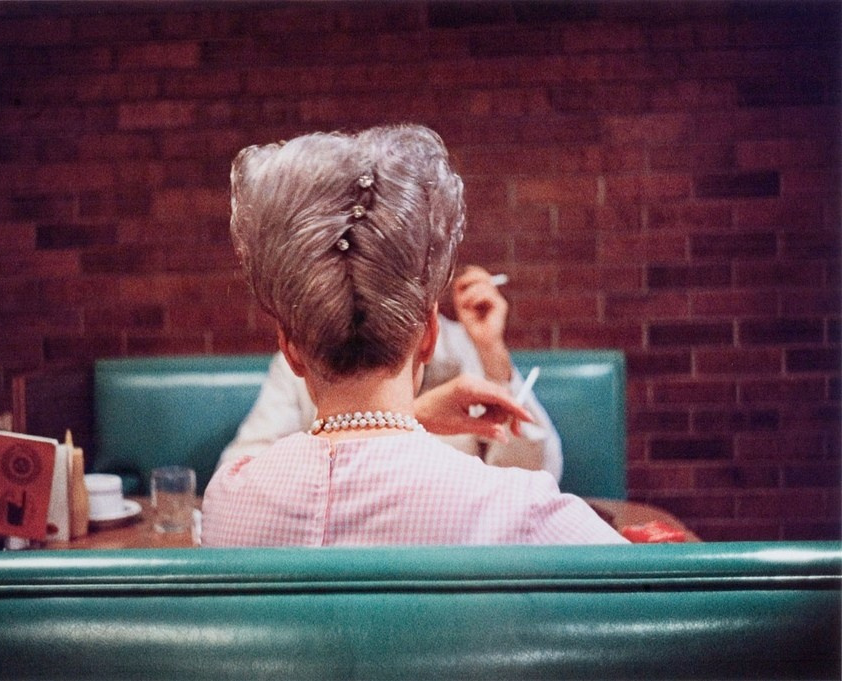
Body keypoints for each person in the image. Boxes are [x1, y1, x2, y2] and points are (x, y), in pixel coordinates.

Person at [202, 124, 625, 547]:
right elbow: (648, 583)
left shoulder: (229, 502)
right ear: (428, 335)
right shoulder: (519, 507)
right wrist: (407, 419)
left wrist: (408, 417)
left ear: (290, 348)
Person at [216, 265, 563, 479]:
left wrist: (491, 351)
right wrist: (411, 419)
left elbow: (539, 468)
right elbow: (242, 468)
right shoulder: (307, 355)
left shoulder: (466, 348)